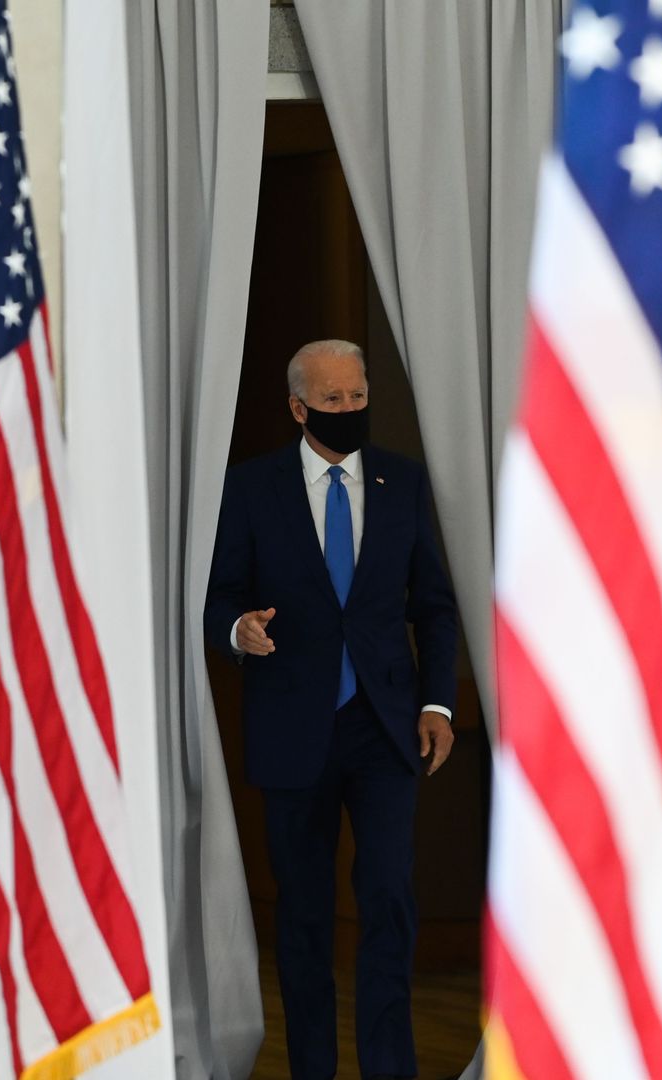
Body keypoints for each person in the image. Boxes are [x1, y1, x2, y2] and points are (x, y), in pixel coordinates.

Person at [206, 339, 460, 1080]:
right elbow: (219, 595)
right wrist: (238, 631)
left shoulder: (402, 482)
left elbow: (435, 610)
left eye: (357, 397)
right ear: (298, 407)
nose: (349, 410)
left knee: (387, 900)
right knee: (306, 917)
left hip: (386, 732)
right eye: (333, 400)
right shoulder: (252, 489)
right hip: (292, 730)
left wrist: (439, 705)